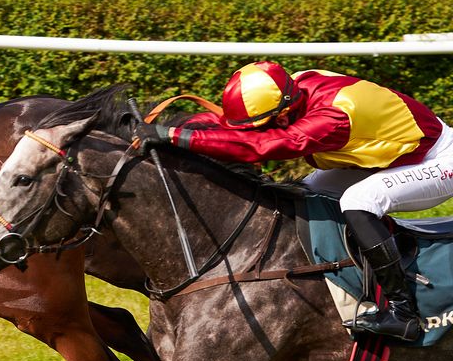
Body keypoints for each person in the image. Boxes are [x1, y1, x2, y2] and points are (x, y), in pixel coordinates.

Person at [139, 61, 453, 341]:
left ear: (285, 111)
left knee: (359, 201)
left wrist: (178, 137)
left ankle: (403, 312)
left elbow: (266, 145)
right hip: (389, 156)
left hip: (437, 161)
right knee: (305, 195)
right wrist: (175, 129)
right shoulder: (293, 87)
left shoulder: (334, 117)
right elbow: (236, 127)